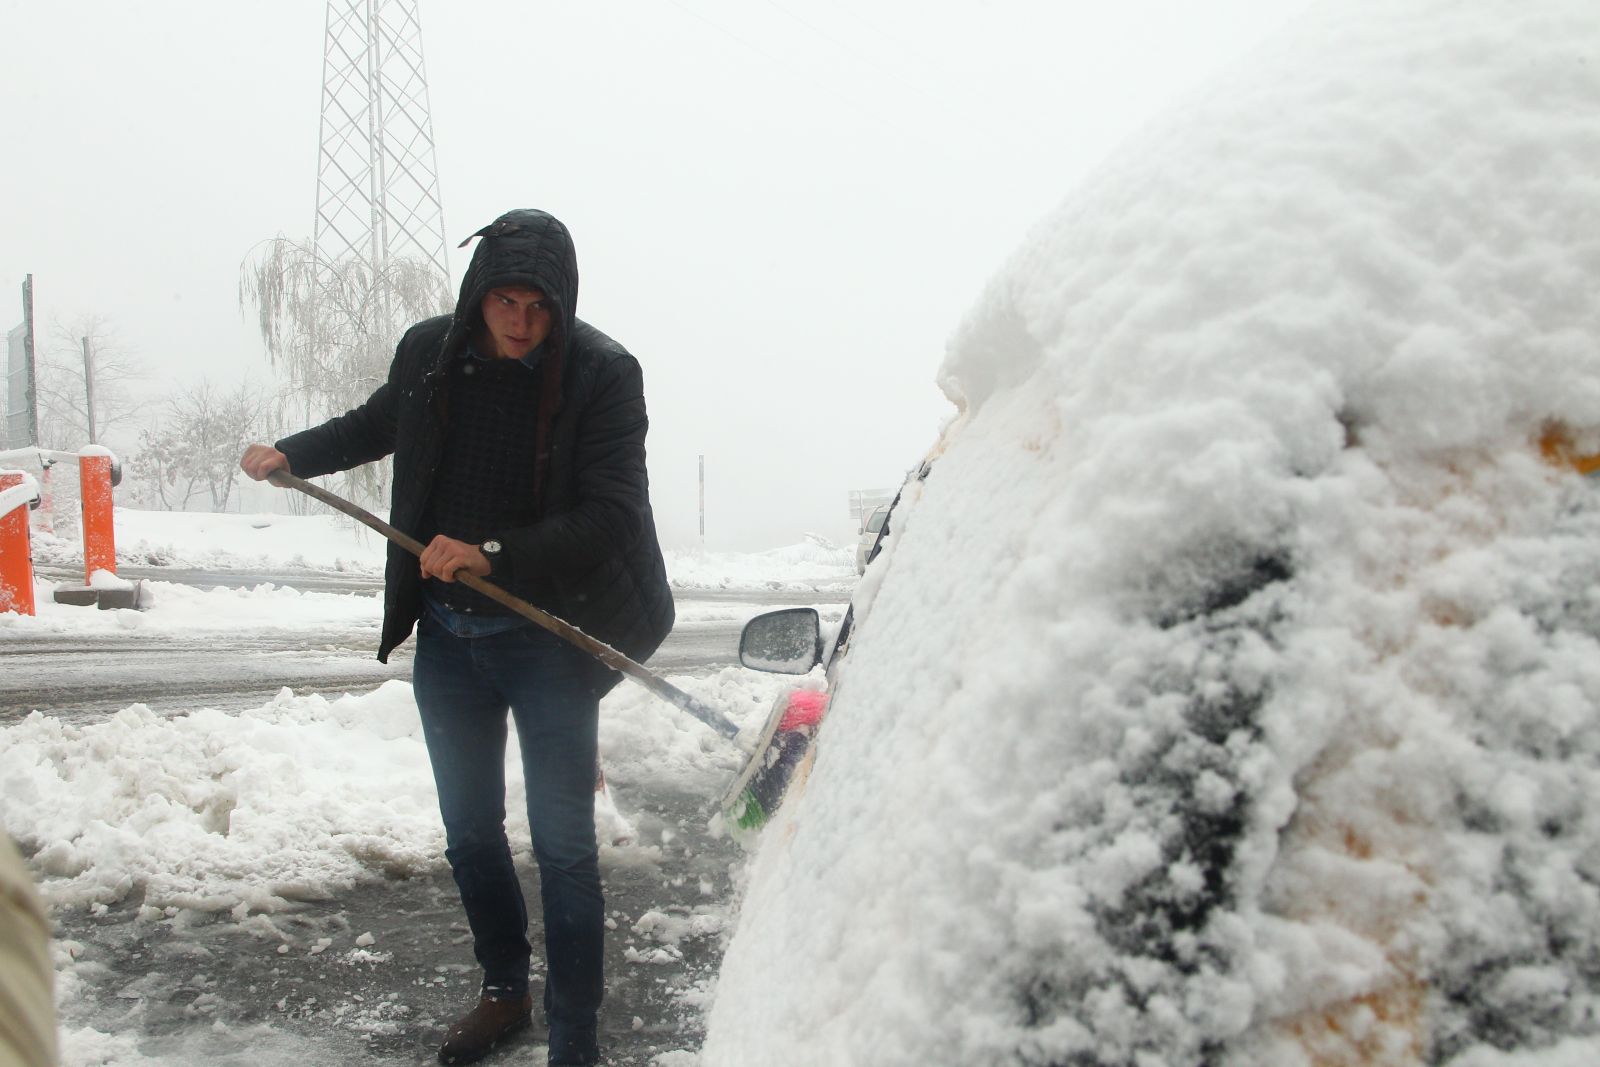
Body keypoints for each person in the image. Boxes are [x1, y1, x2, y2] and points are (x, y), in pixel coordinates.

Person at [240, 209, 674, 1067]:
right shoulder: (430, 351)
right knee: (470, 831)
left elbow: (611, 512)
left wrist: (493, 553)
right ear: (478, 296)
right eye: (504, 300)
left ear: (563, 305)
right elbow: (376, 423)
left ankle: (575, 1038)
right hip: (449, 637)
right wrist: (288, 453)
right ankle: (504, 992)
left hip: (550, 638)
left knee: (562, 845)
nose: (519, 320)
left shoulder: (603, 375)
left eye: (538, 306)